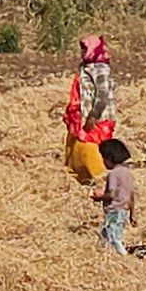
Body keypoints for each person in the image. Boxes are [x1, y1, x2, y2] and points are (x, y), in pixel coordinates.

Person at [63, 34, 116, 184]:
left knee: (90, 148)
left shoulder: (100, 69)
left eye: (84, 49)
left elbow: (103, 93)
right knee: (77, 148)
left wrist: (94, 115)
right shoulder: (85, 68)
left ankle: (100, 180)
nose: (81, 52)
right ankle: (80, 178)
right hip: (83, 115)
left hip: (96, 118)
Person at [91, 138, 136, 255]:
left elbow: (111, 194)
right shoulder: (127, 173)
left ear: (110, 158)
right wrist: (132, 213)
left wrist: (99, 197)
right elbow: (131, 195)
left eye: (104, 159)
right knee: (106, 236)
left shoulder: (113, 174)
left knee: (114, 238)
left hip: (114, 211)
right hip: (124, 211)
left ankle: (124, 256)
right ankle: (102, 255)